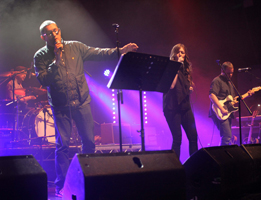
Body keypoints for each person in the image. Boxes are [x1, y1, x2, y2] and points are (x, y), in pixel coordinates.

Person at [33, 20, 138, 197]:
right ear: (44, 36)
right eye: (50, 33)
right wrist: (56, 61)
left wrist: (121, 51)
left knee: (89, 142)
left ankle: (87, 178)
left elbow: (99, 53)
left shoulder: (75, 47)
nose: (55, 34)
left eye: (56, 30)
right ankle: (62, 186)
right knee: (62, 146)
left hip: (81, 102)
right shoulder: (40, 56)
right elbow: (43, 80)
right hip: (60, 107)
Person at [163, 43, 198, 160]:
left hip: (185, 107)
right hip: (172, 108)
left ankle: (195, 166)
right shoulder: (170, 67)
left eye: (182, 52)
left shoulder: (186, 70)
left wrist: (189, 89)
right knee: (177, 138)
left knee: (193, 137)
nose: (180, 54)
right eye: (178, 52)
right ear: (174, 54)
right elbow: (172, 86)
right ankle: (176, 168)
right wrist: (176, 67)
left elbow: (185, 87)